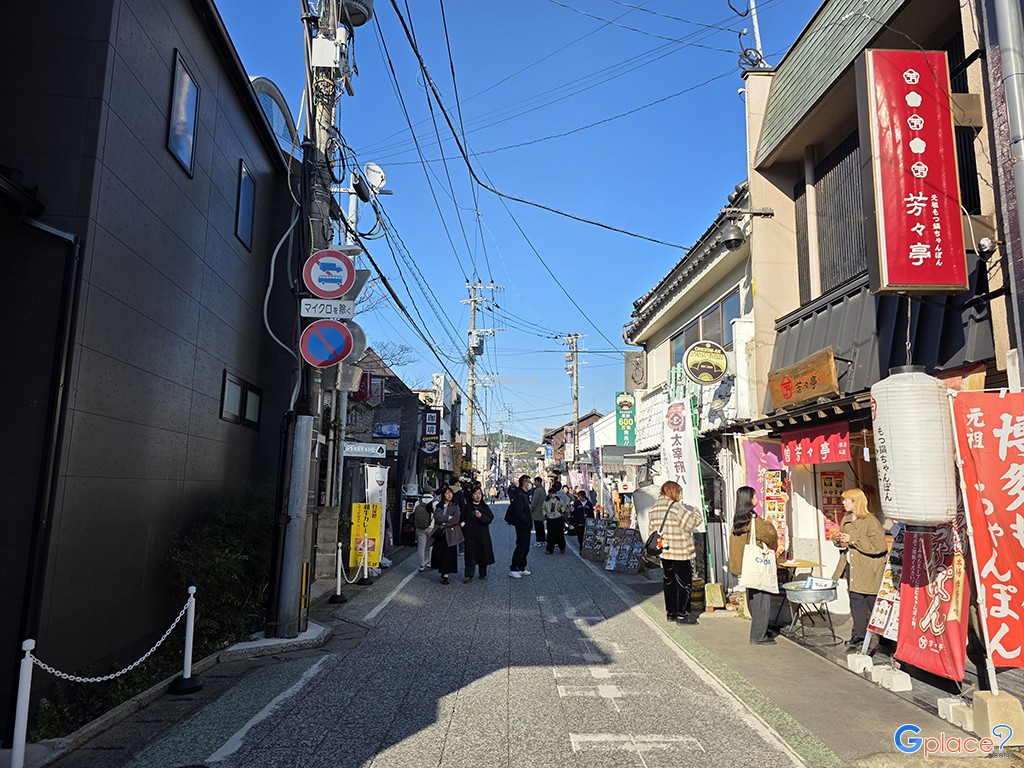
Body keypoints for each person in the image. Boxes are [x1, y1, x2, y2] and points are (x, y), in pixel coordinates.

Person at [832, 487, 887, 647]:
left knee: (873, 602)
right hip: (852, 567)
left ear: (855, 501)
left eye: (846, 500)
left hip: (869, 568)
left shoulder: (871, 521)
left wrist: (853, 539)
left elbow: (879, 546)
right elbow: (844, 542)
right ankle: (858, 634)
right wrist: (838, 538)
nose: (843, 503)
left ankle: (885, 637)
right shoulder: (847, 519)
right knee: (856, 601)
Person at [728, 486, 779, 645]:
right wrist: (769, 523)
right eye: (755, 495)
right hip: (758, 565)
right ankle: (758, 635)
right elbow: (771, 536)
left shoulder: (738, 519)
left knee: (753, 598)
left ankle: (760, 630)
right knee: (762, 600)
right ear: (749, 499)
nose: (757, 497)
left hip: (746, 566)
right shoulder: (753, 520)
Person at [651, 480, 703, 624]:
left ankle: (671, 613)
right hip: (680, 551)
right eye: (679, 492)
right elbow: (690, 524)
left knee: (669, 582)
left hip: (664, 552)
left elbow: (652, 531)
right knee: (684, 584)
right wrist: (697, 513)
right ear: (673, 492)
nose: (680, 495)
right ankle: (682, 615)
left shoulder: (654, 508)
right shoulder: (675, 508)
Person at [431, 486, 464, 585]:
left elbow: (456, 519)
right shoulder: (439, 506)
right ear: (443, 495)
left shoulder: (455, 506)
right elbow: (437, 517)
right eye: (447, 493)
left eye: (451, 493)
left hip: (450, 533)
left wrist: (446, 522)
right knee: (439, 553)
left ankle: (446, 574)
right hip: (440, 533)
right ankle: (441, 570)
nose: (449, 495)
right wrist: (447, 517)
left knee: (449, 554)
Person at [463, 486, 495, 583]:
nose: (478, 496)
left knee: (482, 553)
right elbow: (462, 518)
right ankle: (469, 575)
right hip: (470, 534)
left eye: (480, 493)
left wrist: (481, 516)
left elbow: (490, 518)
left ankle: (482, 573)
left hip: (482, 535)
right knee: (469, 555)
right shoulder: (467, 506)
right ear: (472, 495)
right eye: (475, 493)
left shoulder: (484, 507)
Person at [505, 474, 534, 578]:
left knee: (525, 547)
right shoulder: (520, 495)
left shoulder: (524, 494)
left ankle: (521, 567)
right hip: (522, 525)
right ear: (525, 483)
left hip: (526, 525)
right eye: (529, 482)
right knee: (521, 546)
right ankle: (513, 568)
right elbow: (519, 512)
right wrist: (526, 521)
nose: (530, 484)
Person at [412, 492, 435, 573]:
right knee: (431, 545)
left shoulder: (418, 502)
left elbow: (413, 512)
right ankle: (430, 562)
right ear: (431, 493)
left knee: (421, 546)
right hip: (431, 526)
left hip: (420, 527)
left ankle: (421, 565)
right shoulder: (434, 502)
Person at [545, 482, 568, 554]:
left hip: (558, 517)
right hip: (550, 517)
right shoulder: (548, 498)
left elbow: (564, 505)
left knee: (559, 533)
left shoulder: (560, 496)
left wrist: (561, 510)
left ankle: (562, 547)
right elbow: (544, 507)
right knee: (550, 534)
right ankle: (549, 549)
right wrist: (545, 514)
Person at [530, 475, 547, 547]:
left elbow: (534, 502)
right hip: (542, 511)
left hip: (537, 511)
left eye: (535, 481)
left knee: (538, 527)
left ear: (539, 482)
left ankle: (539, 540)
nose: (534, 483)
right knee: (541, 526)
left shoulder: (537, 490)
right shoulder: (543, 490)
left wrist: (530, 510)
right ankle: (542, 540)